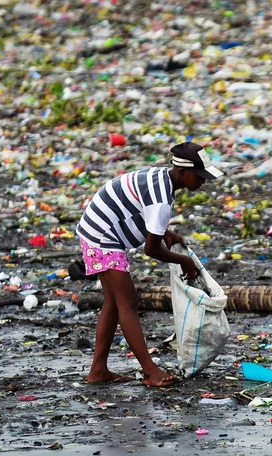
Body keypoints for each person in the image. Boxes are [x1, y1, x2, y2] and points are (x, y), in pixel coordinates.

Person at [76, 142, 223, 386]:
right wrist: (185, 261)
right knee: (128, 302)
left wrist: (164, 231)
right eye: (200, 176)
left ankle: (98, 370)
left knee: (113, 302)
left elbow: (141, 208)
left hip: (97, 229)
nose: (203, 181)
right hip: (101, 237)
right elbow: (151, 250)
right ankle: (149, 371)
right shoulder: (162, 200)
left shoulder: (162, 177)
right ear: (183, 172)